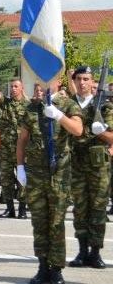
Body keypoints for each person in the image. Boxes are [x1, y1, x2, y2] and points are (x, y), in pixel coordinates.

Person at [17, 81, 83, 284]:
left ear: (58, 81)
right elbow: (22, 140)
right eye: (36, 83)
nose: (40, 86)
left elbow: (78, 130)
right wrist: (20, 166)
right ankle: (43, 266)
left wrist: (59, 115)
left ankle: (56, 269)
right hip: (36, 175)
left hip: (59, 175)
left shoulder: (68, 104)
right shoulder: (32, 108)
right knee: (39, 223)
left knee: (56, 223)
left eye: (45, 82)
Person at [67, 66, 113, 269]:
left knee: (98, 209)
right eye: (79, 79)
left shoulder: (104, 107)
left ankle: (95, 253)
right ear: (74, 81)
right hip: (75, 164)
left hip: (98, 167)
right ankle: (82, 251)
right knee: (80, 209)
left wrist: (101, 132)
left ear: (92, 81)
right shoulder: (68, 105)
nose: (82, 83)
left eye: (86, 79)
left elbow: (112, 137)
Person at [0, 74, 30, 218]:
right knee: (6, 179)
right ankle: (10, 209)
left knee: (22, 179)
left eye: (16, 86)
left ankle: (22, 209)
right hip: (6, 149)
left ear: (22, 88)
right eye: (11, 87)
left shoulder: (29, 106)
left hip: (22, 150)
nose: (13, 89)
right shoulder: (6, 103)